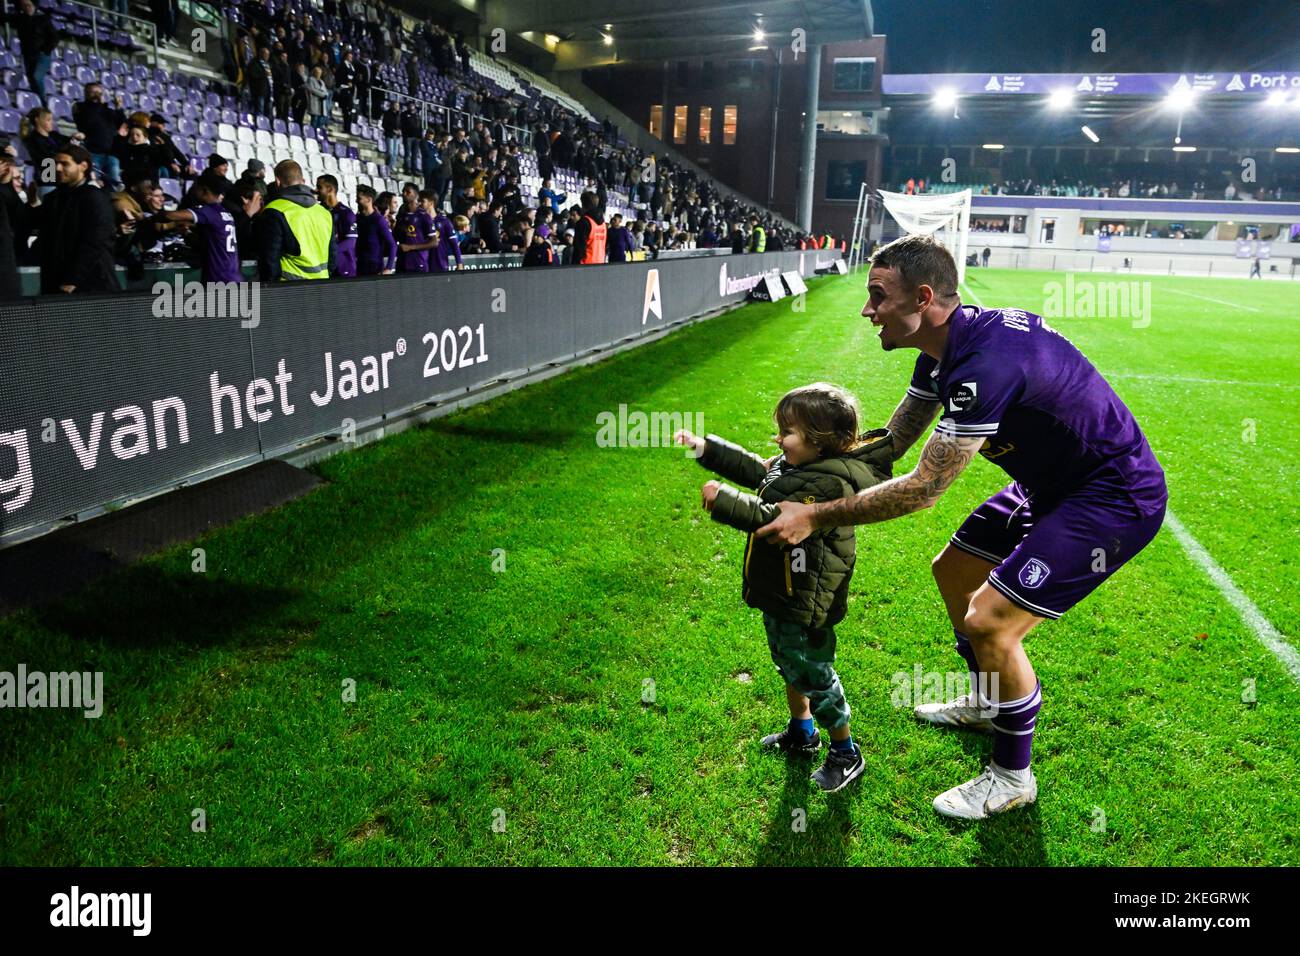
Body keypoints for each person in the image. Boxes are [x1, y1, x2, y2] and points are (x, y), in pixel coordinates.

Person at [756, 235, 1168, 819]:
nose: (867, 310)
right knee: (954, 570)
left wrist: (816, 514)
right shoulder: (944, 346)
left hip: (1111, 497)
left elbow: (925, 489)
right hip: (1050, 485)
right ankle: (987, 699)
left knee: (989, 620)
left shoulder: (984, 364)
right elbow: (898, 438)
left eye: (877, 296)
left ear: (923, 298)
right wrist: (821, 464)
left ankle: (1011, 775)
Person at [673, 386, 894, 792]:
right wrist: (708, 449)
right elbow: (761, 471)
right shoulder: (798, 466)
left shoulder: (829, 484)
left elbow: (773, 517)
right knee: (790, 665)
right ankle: (802, 732)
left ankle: (846, 751)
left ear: (820, 441)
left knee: (813, 671)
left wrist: (723, 501)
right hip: (785, 590)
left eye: (787, 432)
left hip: (807, 596)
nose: (778, 439)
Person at [32, 145, 117, 293]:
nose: (57, 168)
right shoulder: (52, 198)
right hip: (54, 283)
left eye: (65, 164)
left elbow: (95, 242)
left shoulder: (95, 198)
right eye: (55, 164)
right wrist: (32, 202)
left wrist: (73, 279)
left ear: (83, 166)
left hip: (88, 286)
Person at [150, 172, 242, 284]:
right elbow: (208, 243)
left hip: (219, 279)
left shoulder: (209, 211)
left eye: (195, 187)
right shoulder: (225, 213)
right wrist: (186, 233)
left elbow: (169, 216)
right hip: (232, 277)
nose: (192, 190)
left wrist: (147, 216)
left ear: (204, 190)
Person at [256, 160, 336, 281]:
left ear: (277, 181)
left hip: (289, 290)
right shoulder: (325, 213)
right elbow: (333, 257)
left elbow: (270, 261)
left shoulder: (274, 210)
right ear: (302, 180)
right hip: (321, 286)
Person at [72, 83, 126, 188]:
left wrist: (118, 108)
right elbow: (87, 120)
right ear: (86, 93)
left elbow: (122, 124)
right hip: (93, 151)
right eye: (94, 92)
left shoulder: (107, 111)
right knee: (93, 184)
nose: (97, 94)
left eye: (99, 92)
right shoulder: (80, 107)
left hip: (111, 153)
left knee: (115, 185)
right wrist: (101, 104)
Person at [10, 0, 57, 103]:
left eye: (28, 5)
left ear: (34, 6)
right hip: (27, 55)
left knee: (36, 77)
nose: (27, 7)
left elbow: (54, 37)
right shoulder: (20, 19)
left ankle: (42, 103)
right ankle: (37, 103)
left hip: (42, 55)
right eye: (23, 6)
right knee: (31, 79)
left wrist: (45, 50)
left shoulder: (43, 19)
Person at [316, 174, 357, 277]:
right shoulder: (318, 211)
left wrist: (328, 251)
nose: (316, 191)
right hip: (325, 267)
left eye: (319, 187)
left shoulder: (346, 213)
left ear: (330, 189)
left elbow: (350, 242)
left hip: (344, 269)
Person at [354, 184, 396, 275]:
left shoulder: (378, 220)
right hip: (359, 267)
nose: (356, 201)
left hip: (375, 269)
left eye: (359, 198)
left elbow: (392, 245)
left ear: (369, 200)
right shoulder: (357, 218)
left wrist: (388, 267)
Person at [572, 190, 606, 265]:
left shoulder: (584, 222)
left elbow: (579, 247)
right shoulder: (603, 223)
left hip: (586, 264)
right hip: (600, 262)